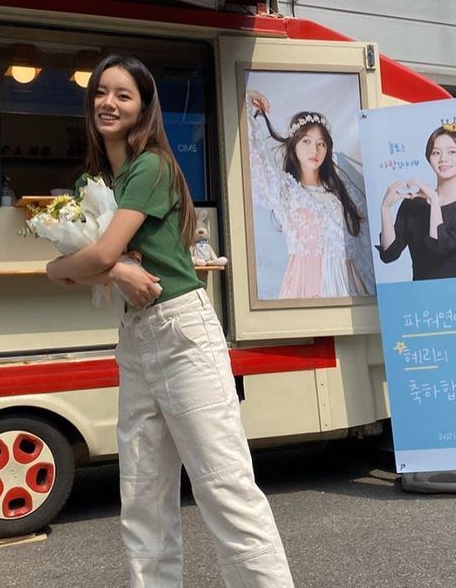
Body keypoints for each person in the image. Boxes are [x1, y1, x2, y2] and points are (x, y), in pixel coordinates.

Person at [47, 55, 294, 587]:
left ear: (143, 107)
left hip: (181, 330)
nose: (108, 103)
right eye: (100, 93)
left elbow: (99, 255)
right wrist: (93, 269)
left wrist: (91, 267)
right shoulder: (96, 180)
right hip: (135, 339)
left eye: (123, 95)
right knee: (142, 497)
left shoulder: (151, 166)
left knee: (225, 487)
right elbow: (81, 267)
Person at [247, 89, 374, 299]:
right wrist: (248, 98)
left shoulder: (342, 191)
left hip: (349, 284)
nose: (314, 150)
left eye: (321, 143)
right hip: (306, 286)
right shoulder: (286, 190)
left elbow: (367, 237)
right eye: (306, 141)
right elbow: (256, 160)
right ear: (294, 145)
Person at [378, 121, 456, 280]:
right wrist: (385, 209)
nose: (443, 159)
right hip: (422, 298)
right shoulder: (413, 203)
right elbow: (389, 255)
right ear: (429, 158)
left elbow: (440, 248)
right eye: (436, 153)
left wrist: (434, 201)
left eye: (452, 152)